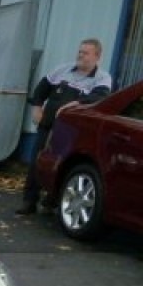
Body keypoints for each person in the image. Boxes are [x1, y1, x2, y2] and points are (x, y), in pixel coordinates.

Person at [16, 38, 112, 215]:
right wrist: (36, 108)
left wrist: (76, 102)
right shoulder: (62, 70)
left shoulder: (102, 78)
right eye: (80, 51)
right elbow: (41, 90)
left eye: (85, 52)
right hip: (48, 125)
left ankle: (51, 201)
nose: (80, 55)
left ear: (97, 56)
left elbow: (100, 98)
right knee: (37, 162)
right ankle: (29, 201)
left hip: (72, 132)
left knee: (61, 166)